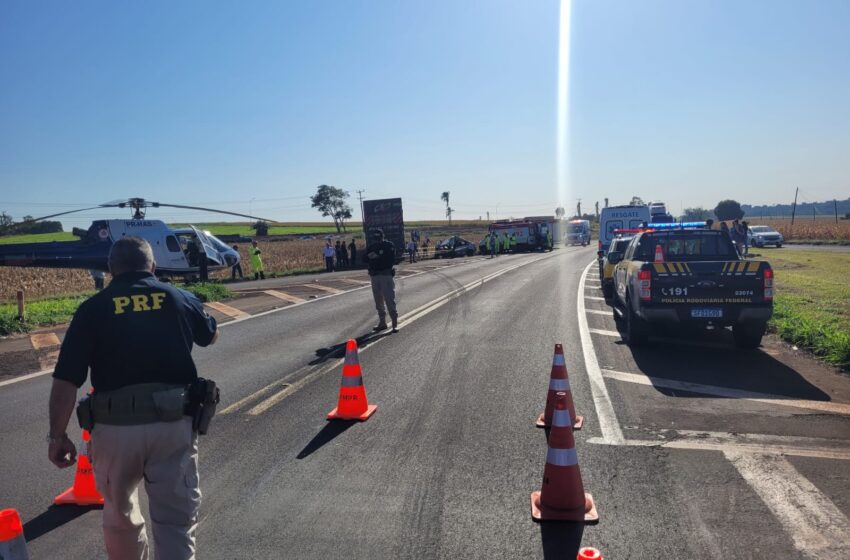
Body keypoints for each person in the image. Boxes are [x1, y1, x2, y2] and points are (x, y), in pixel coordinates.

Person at [48, 236, 218, 560]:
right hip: (173, 424)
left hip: (114, 430)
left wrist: (57, 436)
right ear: (152, 266)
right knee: (175, 522)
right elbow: (211, 334)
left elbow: (66, 380)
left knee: (119, 518)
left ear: (111, 270)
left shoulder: (92, 309)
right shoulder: (179, 298)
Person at [365, 228, 398, 332]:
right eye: (375, 238)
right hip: (375, 276)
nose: (377, 240)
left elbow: (391, 259)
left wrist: (378, 256)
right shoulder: (371, 247)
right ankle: (382, 322)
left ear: (382, 236)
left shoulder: (388, 245)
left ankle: (394, 323)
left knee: (389, 299)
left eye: (378, 237)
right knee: (378, 301)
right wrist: (373, 256)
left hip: (385, 275)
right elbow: (364, 258)